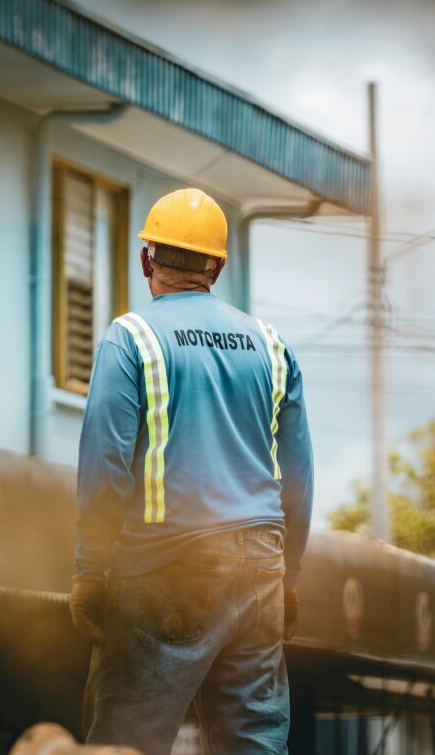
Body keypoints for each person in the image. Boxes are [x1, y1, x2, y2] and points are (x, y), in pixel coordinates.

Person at [69, 188, 314, 754]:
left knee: (124, 742)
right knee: (254, 745)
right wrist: (290, 575)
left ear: (146, 259)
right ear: (218, 266)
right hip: (259, 575)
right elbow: (296, 479)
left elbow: (105, 465)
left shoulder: (130, 340)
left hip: (163, 570)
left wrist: (90, 572)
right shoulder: (274, 348)